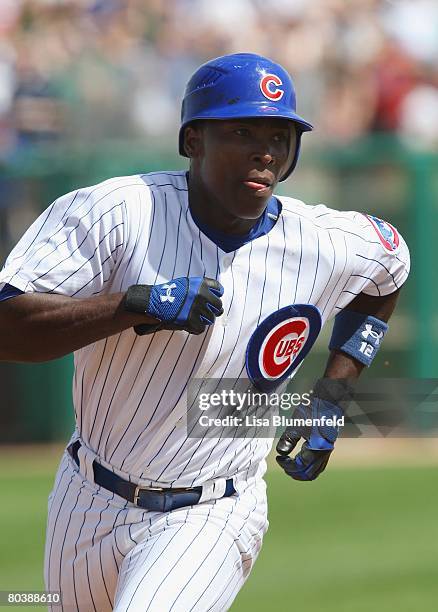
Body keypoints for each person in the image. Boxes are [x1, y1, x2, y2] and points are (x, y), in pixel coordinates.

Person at [0, 53, 409, 611]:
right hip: (86, 495)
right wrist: (133, 305)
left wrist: (331, 399)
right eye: (242, 131)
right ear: (192, 139)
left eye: (281, 135)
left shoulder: (322, 240)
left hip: (213, 510)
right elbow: (8, 326)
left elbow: (390, 267)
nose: (265, 151)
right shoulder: (117, 213)